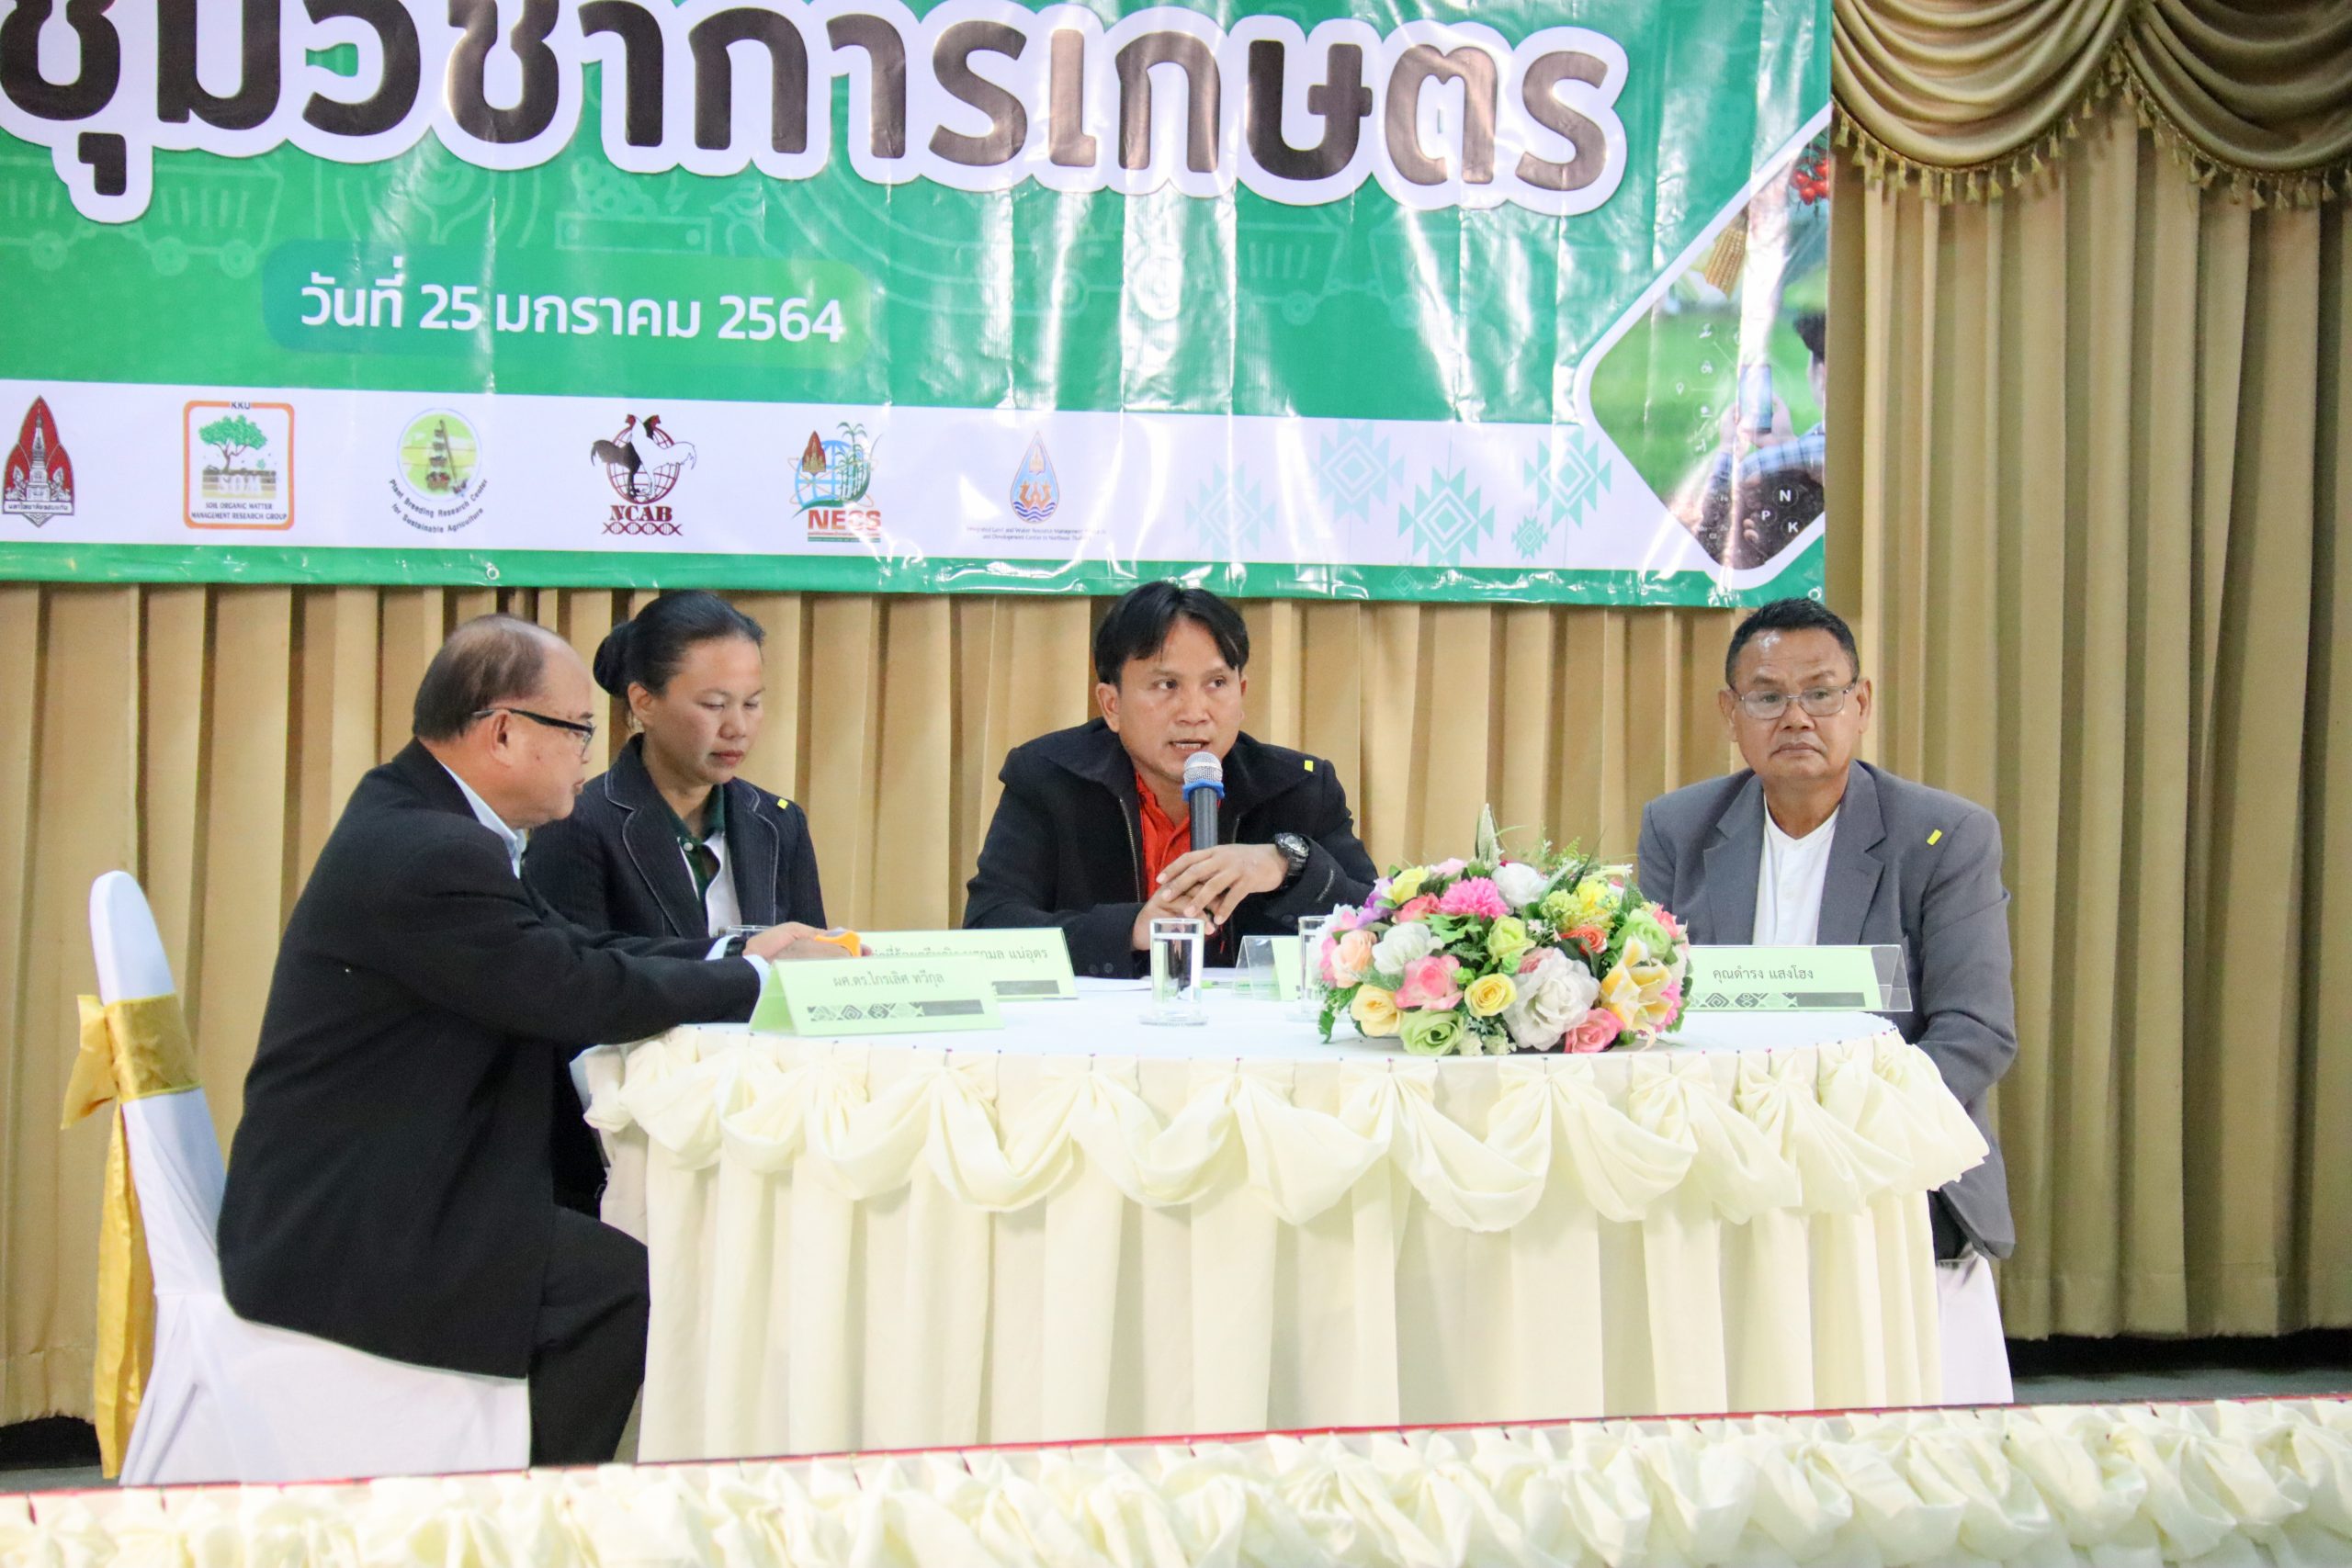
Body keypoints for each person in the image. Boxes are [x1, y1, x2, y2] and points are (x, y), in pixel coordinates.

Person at [217, 615, 843, 1467]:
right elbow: (576, 991)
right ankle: (524, 1506)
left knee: (619, 1262)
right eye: (578, 729)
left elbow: (574, 948)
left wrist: (734, 951)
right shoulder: (431, 850)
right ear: (505, 730)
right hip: (355, 1222)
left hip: (382, 1181)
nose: (589, 753)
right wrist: (763, 983)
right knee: (618, 1288)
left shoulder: (424, 814)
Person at [1635, 597, 2018, 1403]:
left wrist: (1834, 1137)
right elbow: (1649, 1010)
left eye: (1821, 692)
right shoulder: (1680, 828)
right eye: (1768, 696)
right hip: (1727, 1158)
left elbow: (1975, 1032)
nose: (1797, 717)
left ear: (1861, 703)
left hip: (1890, 1171)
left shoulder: (1943, 835)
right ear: (1730, 713)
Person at [524, 593, 828, 1210]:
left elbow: (809, 977)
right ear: (643, 702)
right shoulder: (578, 822)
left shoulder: (777, 822)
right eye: (714, 705)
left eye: (752, 703)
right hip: (628, 1135)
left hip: (767, 1123)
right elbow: (572, 999)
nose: (737, 727)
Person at [964, 581, 1377, 976]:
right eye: (1166, 685)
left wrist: (1291, 865)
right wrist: (1130, 929)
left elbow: (1385, 926)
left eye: (1217, 683)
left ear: (1241, 694)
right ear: (1111, 705)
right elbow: (989, 929)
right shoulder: (1049, 777)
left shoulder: (1300, 787)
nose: (1194, 712)